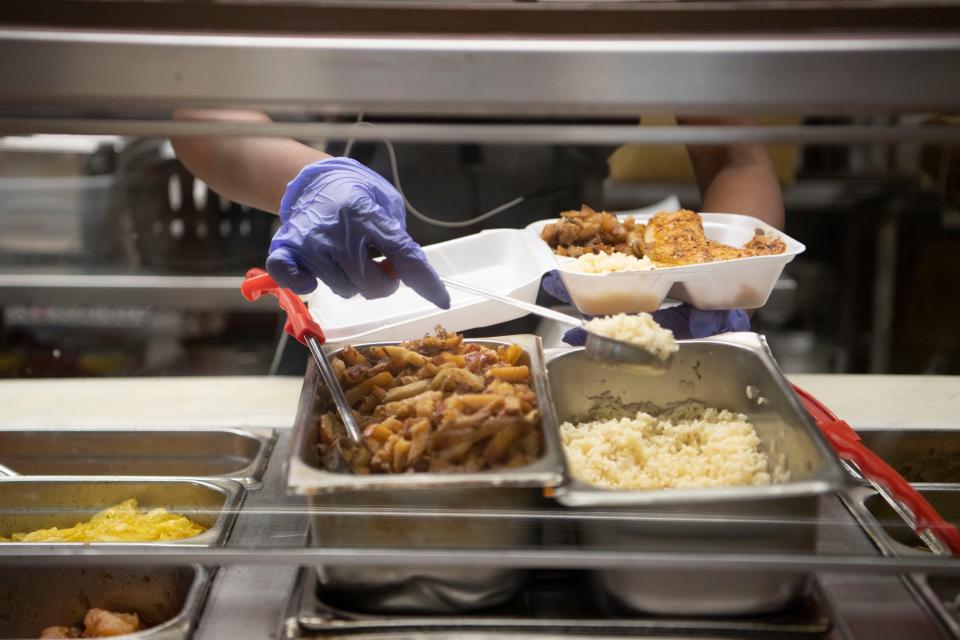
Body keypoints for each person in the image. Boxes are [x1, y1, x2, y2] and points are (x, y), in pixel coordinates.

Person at [170, 110, 783, 342]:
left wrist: (724, 282)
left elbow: (737, 155)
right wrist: (317, 180)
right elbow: (202, 107)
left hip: (591, 293)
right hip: (364, 280)